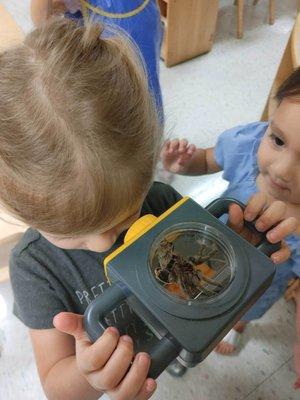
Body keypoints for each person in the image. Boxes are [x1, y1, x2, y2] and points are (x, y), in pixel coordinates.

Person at [0, 18, 295, 400]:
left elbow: (199, 273)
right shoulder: (33, 269)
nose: (107, 240)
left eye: (126, 213)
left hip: (176, 323)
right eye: (72, 233)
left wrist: (236, 254)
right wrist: (89, 374)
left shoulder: (158, 200)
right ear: (23, 213)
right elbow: (57, 385)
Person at [161, 67, 300, 388]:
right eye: (278, 140)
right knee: (193, 288)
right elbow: (210, 159)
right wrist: (185, 163)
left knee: (241, 313)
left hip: (256, 290)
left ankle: (236, 327)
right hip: (206, 250)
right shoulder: (250, 144)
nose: (281, 170)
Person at [30, 0, 163, 113]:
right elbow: (43, 20)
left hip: (129, 19)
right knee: (100, 98)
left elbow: (43, 19)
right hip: (94, 21)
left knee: (139, 92)